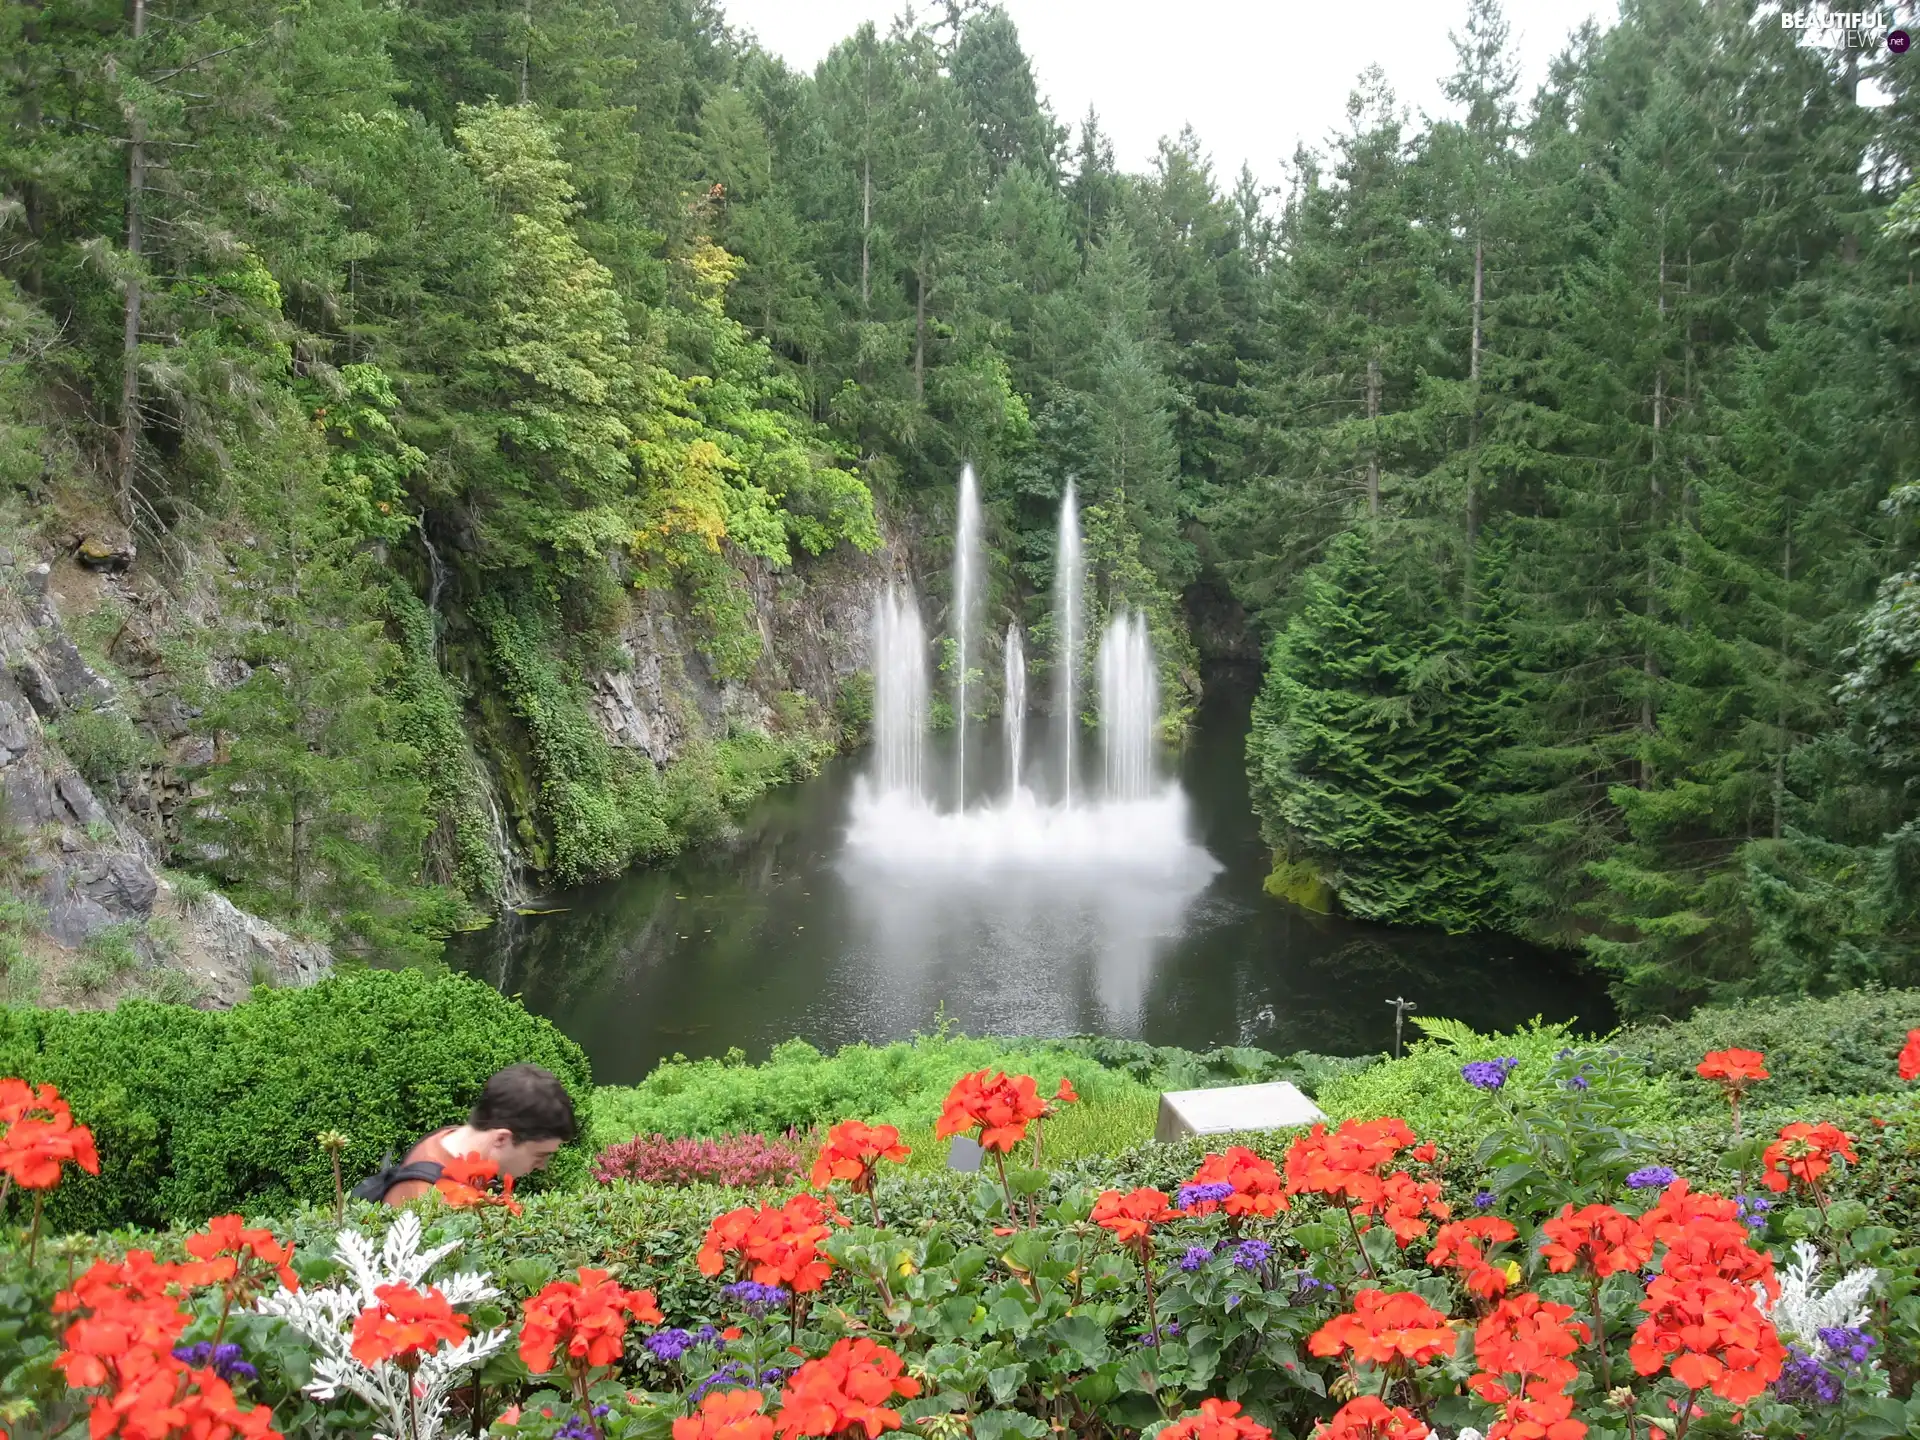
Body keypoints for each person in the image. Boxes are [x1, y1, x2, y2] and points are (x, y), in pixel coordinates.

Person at [354, 1063, 577, 1205]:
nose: (542, 1166)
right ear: (501, 1138)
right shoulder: (429, 1193)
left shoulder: (451, 1137)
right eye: (540, 1155)